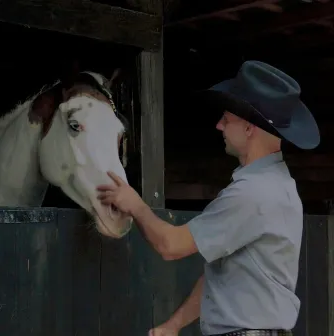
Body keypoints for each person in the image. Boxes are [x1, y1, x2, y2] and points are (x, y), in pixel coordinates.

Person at [96, 60, 320, 336]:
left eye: (226, 119)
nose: (218, 125)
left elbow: (171, 245)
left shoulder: (253, 193)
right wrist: (174, 325)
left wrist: (136, 205)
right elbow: (224, 274)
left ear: (249, 128)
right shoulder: (279, 185)